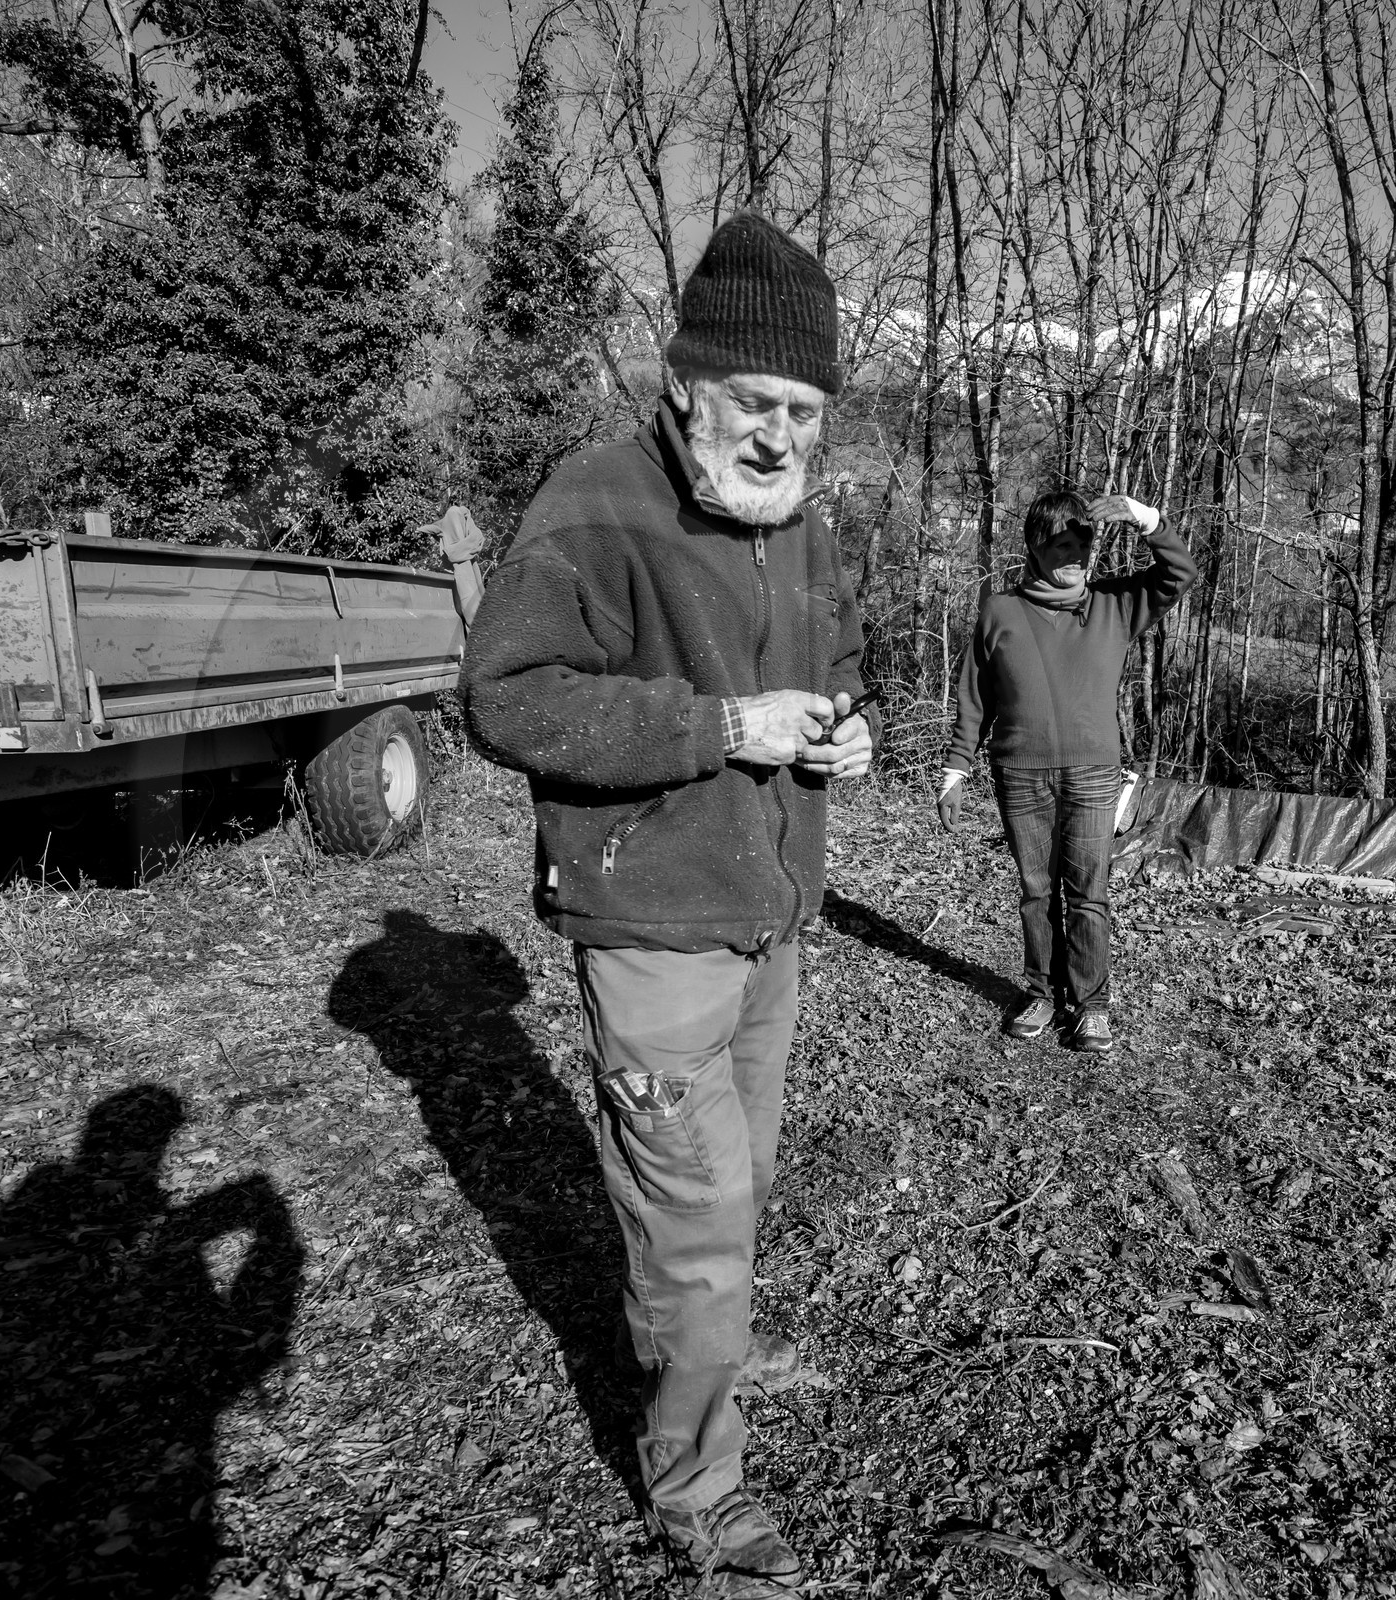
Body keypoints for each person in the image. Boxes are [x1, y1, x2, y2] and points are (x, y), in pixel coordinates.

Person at [461, 211, 878, 1590]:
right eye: (755, 402)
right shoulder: (595, 500)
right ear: (686, 381)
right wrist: (722, 726)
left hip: (766, 918)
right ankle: (698, 1487)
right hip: (651, 927)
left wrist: (836, 736)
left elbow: (810, 682)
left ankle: (717, 1373)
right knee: (695, 1232)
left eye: (806, 412)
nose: (779, 436)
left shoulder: (795, 524)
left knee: (735, 1194)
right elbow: (507, 698)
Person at [937, 490, 1196, 1053]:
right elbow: (974, 699)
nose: (1076, 554)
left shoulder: (1115, 605)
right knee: (1036, 891)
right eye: (1063, 544)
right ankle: (1041, 992)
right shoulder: (999, 610)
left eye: (1083, 543)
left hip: (1093, 776)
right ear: (1035, 546)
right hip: (1020, 775)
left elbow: (1179, 573)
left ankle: (1091, 1006)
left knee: (1089, 894)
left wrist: (1145, 519)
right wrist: (957, 769)